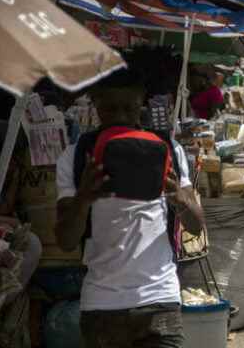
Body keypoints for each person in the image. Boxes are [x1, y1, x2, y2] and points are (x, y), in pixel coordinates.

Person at [54, 67, 205, 348]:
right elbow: (65, 240)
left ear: (142, 105)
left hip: (160, 299)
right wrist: (84, 198)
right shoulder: (74, 157)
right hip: (102, 306)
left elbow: (196, 225)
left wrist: (179, 197)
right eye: (111, 109)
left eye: (129, 108)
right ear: (96, 105)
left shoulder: (168, 150)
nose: (121, 117)